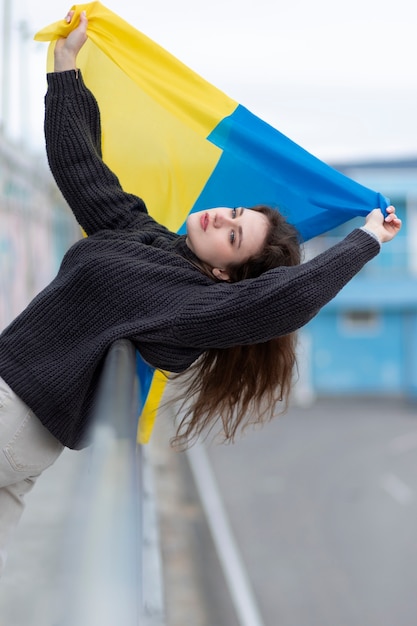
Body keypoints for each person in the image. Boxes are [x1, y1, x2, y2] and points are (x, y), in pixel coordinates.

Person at [0, 11, 401, 575]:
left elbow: (284, 300)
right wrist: (66, 68)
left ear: (225, 276)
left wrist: (366, 240)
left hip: (15, 410)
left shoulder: (190, 303)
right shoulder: (143, 235)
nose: (220, 219)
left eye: (234, 237)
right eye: (234, 213)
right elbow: (81, 168)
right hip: (25, 431)